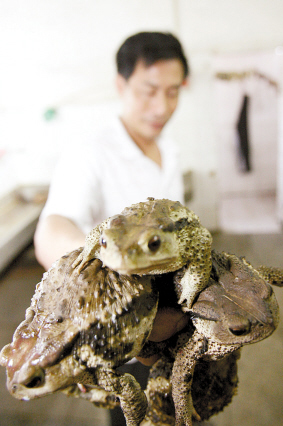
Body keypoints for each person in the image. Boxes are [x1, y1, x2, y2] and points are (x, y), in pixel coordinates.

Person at [34, 31, 190, 424]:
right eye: (149, 90)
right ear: (121, 84)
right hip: (131, 329)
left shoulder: (169, 147)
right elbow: (53, 227)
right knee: (137, 413)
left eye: (173, 92)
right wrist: (105, 268)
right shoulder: (90, 151)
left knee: (189, 408)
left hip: (178, 317)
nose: (162, 106)